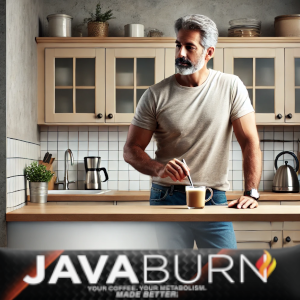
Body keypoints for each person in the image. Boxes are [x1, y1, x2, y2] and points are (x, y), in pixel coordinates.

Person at [123, 14, 262, 249]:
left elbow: (250, 142)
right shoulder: (155, 94)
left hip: (214, 198)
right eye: (178, 45)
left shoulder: (231, 86)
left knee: (224, 275)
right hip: (167, 197)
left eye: (189, 47)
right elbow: (131, 150)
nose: (180, 54)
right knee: (174, 278)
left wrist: (251, 191)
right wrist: (160, 169)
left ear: (209, 52)